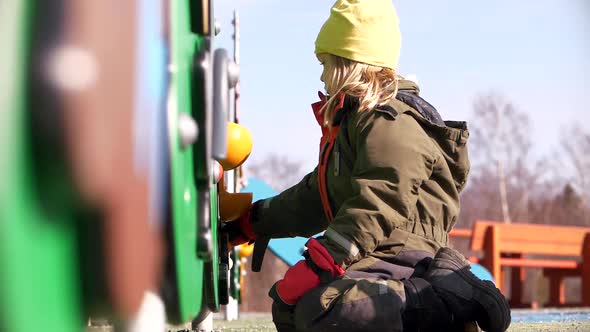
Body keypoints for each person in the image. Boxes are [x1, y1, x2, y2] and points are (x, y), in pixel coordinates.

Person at [225, 0, 511, 331]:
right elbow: (316, 198)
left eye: (327, 62)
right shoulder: (355, 124)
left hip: (410, 258)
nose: (321, 74)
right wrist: (253, 222)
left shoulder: (391, 121)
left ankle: (447, 299)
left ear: (352, 63)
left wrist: (324, 260)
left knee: (326, 310)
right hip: (376, 253)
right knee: (290, 308)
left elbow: (381, 198)